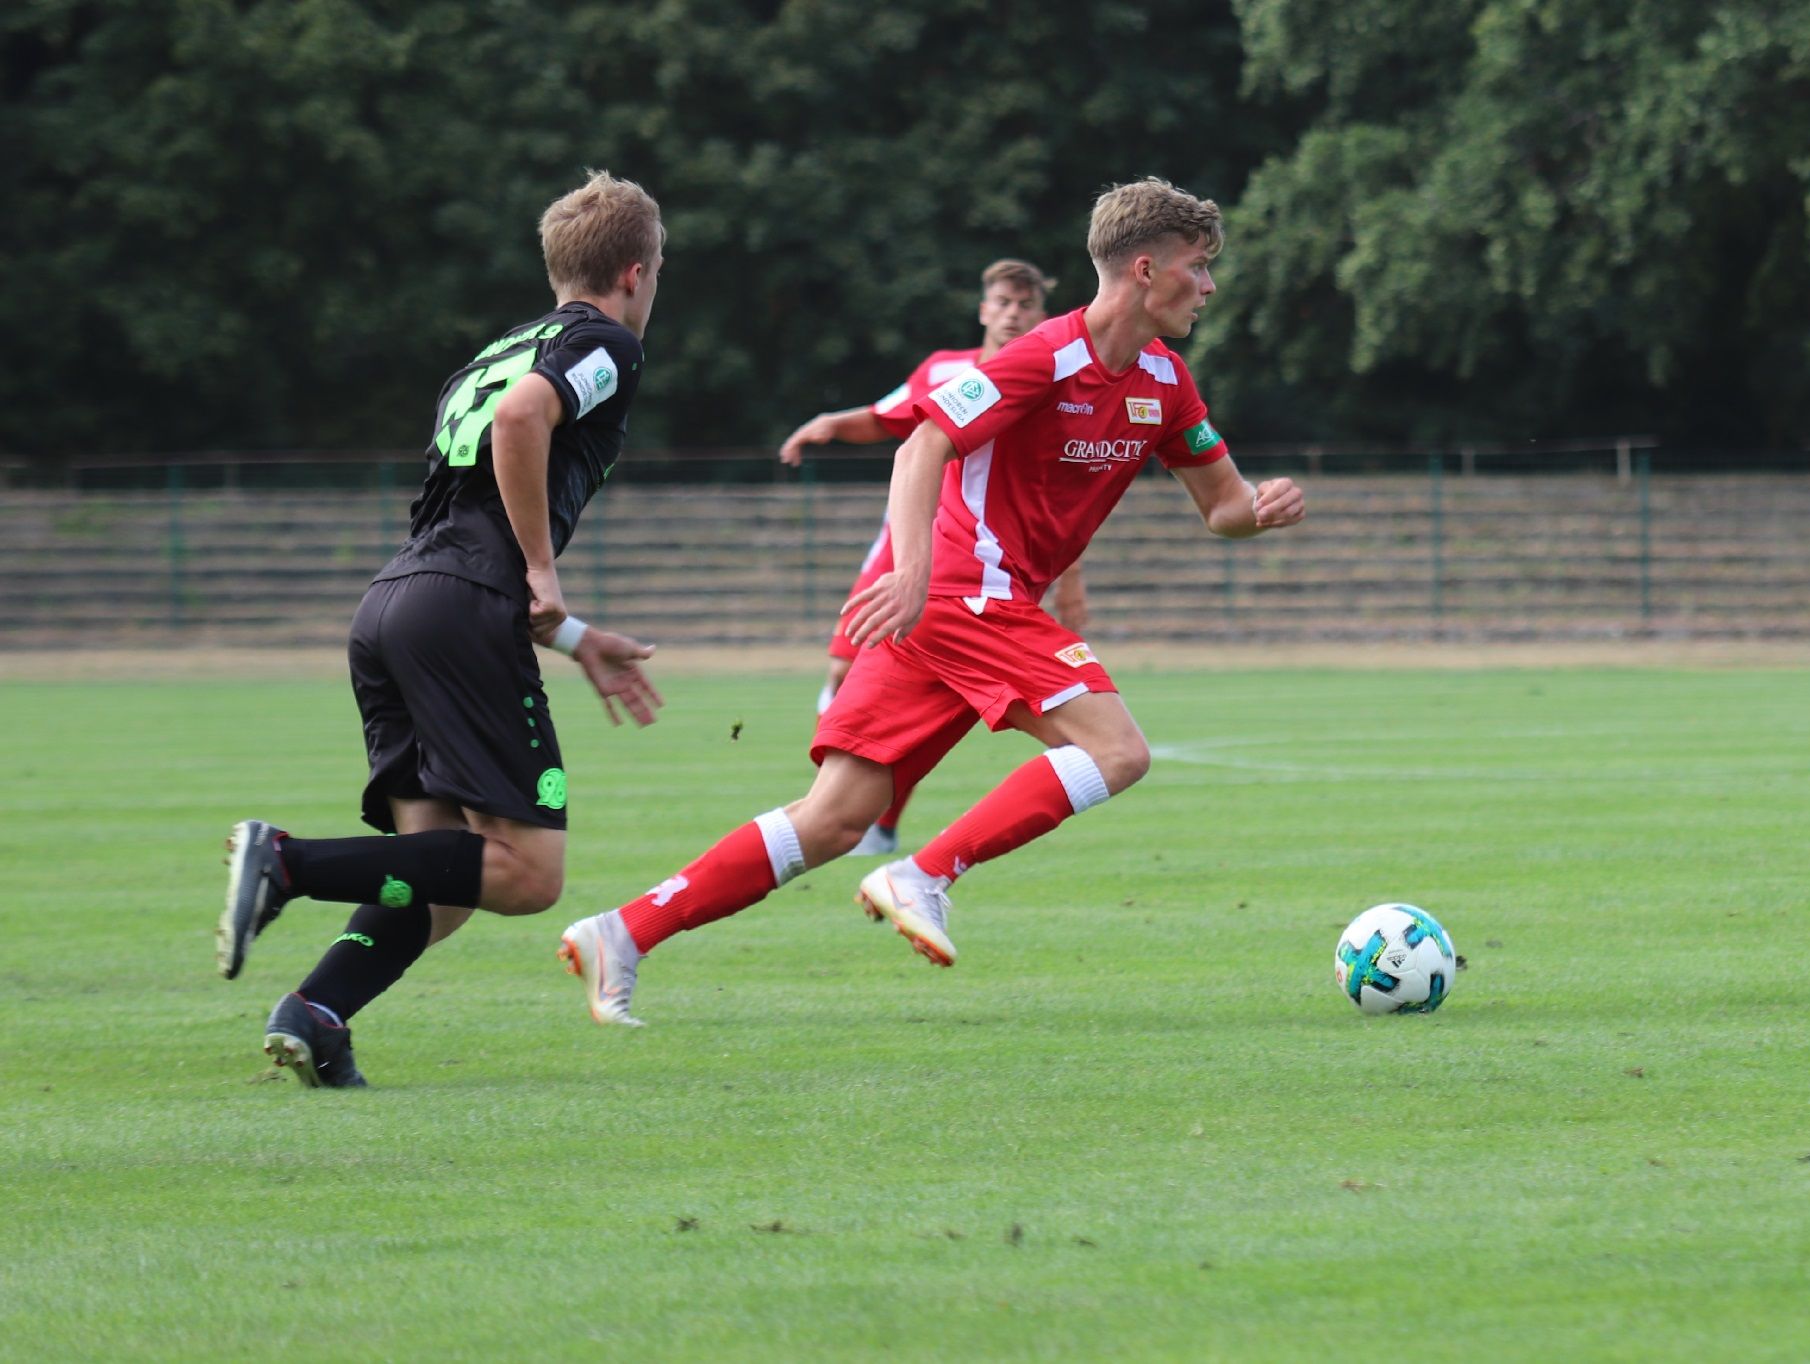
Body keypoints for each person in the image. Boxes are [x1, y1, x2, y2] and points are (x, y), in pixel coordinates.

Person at [558, 176, 1304, 1027]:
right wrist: (911, 573)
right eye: (1198, 267)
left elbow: (1222, 507)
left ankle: (622, 931)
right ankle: (924, 872)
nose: (1208, 286)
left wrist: (1261, 511)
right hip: (960, 592)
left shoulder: (1165, 382)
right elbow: (923, 444)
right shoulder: (1041, 356)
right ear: (1144, 269)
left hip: (962, 609)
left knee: (837, 818)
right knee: (1118, 750)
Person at [216, 169, 668, 1085]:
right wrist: (542, 568)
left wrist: (578, 638)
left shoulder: (496, 349)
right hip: (457, 608)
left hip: (396, 605)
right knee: (527, 875)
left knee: (448, 873)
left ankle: (315, 1012)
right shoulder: (605, 345)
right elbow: (523, 418)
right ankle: (287, 864)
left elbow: (472, 508)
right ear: (634, 271)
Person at [775, 259, 1089, 855]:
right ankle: (841, 800)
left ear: (1040, 313)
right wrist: (829, 424)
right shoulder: (944, 368)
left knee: (942, 698)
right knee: (844, 666)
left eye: (1025, 304)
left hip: (985, 561)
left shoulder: (1054, 381)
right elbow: (888, 417)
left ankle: (875, 818)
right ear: (983, 309)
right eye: (1002, 301)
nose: (1012, 313)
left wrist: (1072, 582)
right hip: (912, 542)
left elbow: (1060, 496)